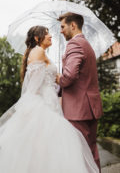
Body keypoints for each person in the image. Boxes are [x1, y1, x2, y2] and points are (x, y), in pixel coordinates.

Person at [0, 25, 99, 173]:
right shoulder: (39, 51)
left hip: (51, 102)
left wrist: (61, 77)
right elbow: (34, 87)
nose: (50, 36)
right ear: (37, 38)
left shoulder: (40, 53)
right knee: (48, 148)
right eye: (47, 34)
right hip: (44, 106)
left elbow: (55, 79)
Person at [57, 12, 103, 172]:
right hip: (90, 108)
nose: (61, 31)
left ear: (73, 25)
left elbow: (69, 76)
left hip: (78, 111)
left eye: (62, 27)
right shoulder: (87, 45)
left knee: (79, 155)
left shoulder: (74, 44)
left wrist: (58, 79)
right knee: (91, 152)